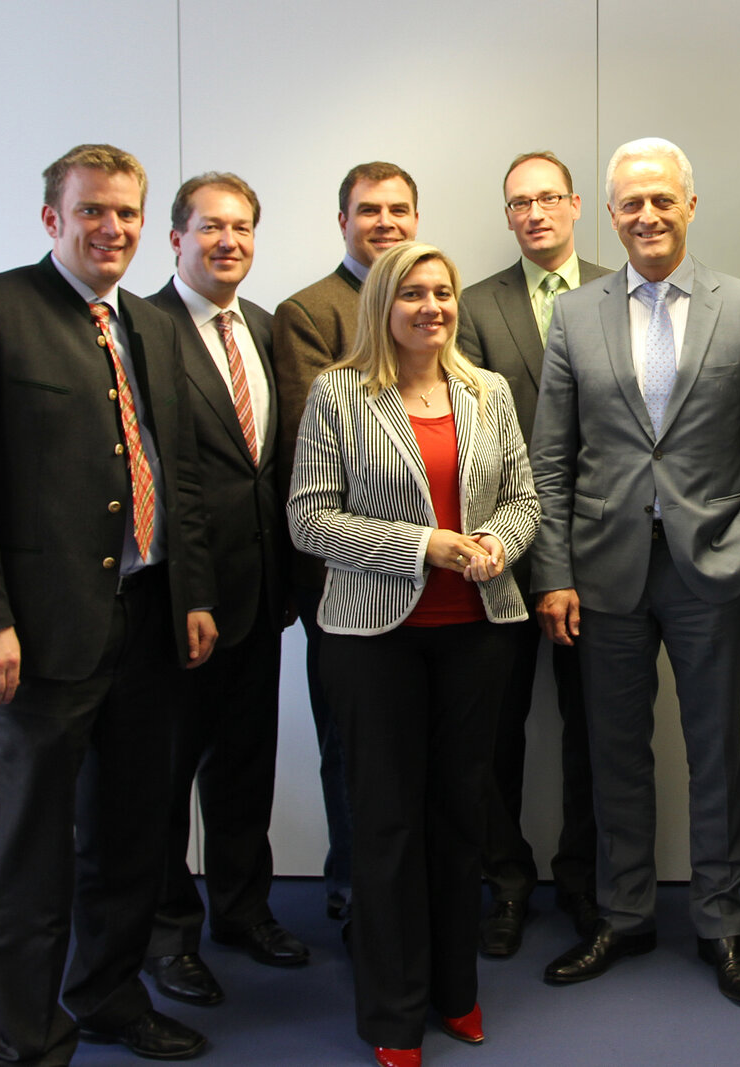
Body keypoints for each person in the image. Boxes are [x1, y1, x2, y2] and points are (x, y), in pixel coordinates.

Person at [0, 143, 217, 1064]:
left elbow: (174, 469)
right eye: (92, 210)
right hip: (38, 635)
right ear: (53, 218)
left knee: (130, 837)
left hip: (146, 619)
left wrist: (192, 594)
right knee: (33, 848)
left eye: (126, 213)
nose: (111, 228)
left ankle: (108, 997)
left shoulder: (151, 323)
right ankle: (25, 1036)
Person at [531, 137, 740, 1007]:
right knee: (614, 752)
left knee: (716, 750)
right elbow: (551, 460)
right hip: (602, 570)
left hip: (710, 566)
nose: (647, 216)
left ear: (690, 205)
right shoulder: (575, 316)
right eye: (631, 203)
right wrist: (553, 571)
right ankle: (624, 912)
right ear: (610, 214)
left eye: (662, 200)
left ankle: (721, 920)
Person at [287, 241, 539, 1067]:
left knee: (461, 816)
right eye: (413, 294)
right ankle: (393, 1011)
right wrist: (424, 545)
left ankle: (454, 989)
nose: (432, 307)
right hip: (373, 640)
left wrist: (496, 542)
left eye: (443, 292)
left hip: (476, 633)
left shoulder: (487, 390)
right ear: (382, 305)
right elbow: (309, 519)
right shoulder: (339, 394)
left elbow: (523, 498)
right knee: (388, 824)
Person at [143, 172, 308, 1009]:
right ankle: (166, 936)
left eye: (241, 227)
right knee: (165, 780)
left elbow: (265, 468)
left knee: (245, 768)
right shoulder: (142, 329)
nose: (228, 241)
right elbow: (158, 479)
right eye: (211, 227)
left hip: (260, 595)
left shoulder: (266, 327)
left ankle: (242, 911)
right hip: (182, 602)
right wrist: (191, 592)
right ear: (176, 238)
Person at [457, 151, 607, 958]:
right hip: (501, 554)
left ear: (577, 204)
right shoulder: (474, 306)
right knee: (494, 732)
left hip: (606, 549)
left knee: (596, 730)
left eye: (549, 197)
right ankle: (506, 880)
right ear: (508, 215)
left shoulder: (623, 290)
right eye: (520, 202)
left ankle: (584, 882)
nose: (536, 212)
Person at [273, 161, 418, 923]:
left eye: (398, 209)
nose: (385, 222)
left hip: (428, 571)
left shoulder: (431, 302)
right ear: (343, 222)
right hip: (340, 570)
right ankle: (356, 888)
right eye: (369, 210)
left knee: (413, 739)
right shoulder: (309, 312)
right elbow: (314, 445)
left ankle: (410, 886)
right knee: (351, 739)